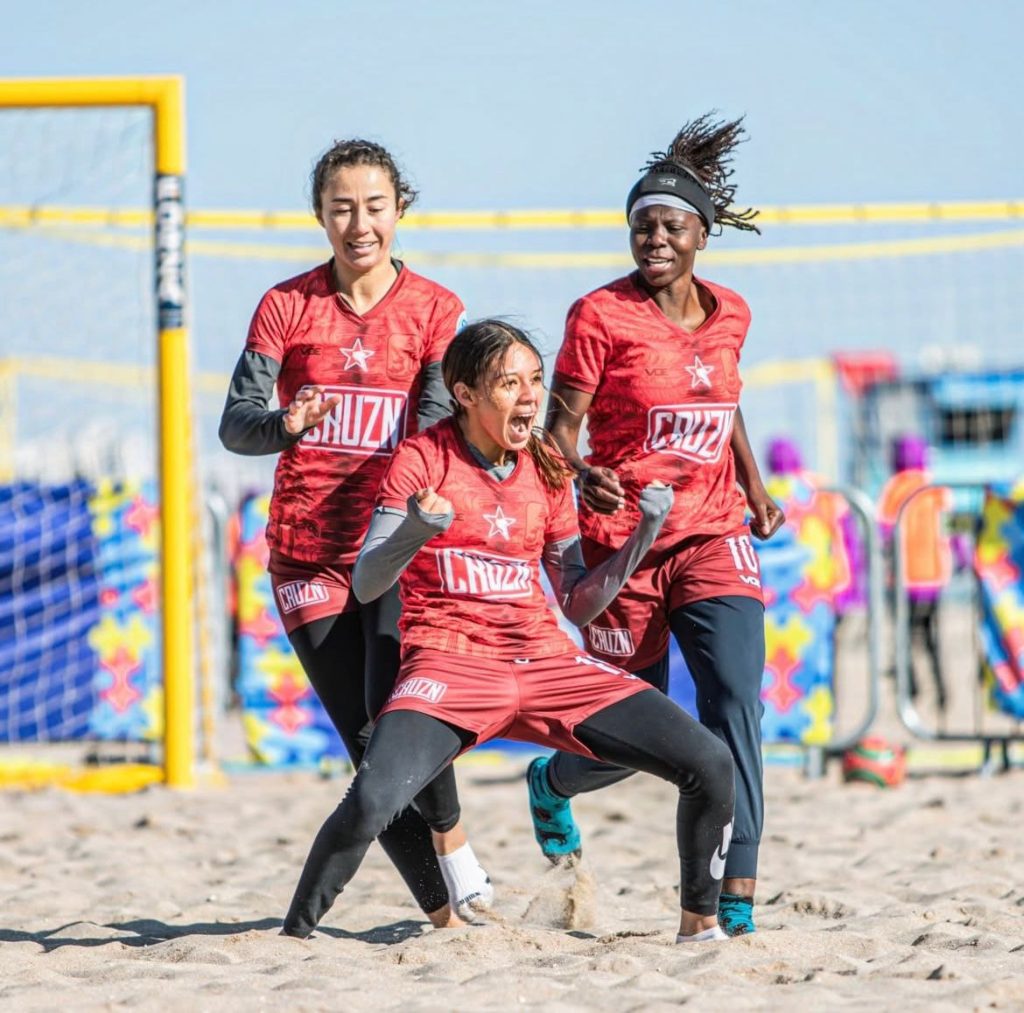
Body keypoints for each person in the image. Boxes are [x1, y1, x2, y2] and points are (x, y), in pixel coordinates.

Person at [281, 320, 737, 943]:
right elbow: (365, 582)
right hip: (450, 662)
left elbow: (577, 604)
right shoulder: (422, 458)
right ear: (465, 393)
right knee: (370, 802)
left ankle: (700, 930)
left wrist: (642, 537)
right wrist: (415, 530)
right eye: (509, 383)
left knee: (710, 761)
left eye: (535, 380)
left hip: (547, 663)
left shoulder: (545, 463)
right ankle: (293, 939)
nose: (529, 397)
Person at [219, 138, 490, 927]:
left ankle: (454, 844)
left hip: (394, 548)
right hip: (307, 554)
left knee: (406, 718)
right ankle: (444, 915)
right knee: (367, 744)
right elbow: (236, 424)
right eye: (342, 208)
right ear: (320, 216)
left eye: (374, 206)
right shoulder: (285, 305)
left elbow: (438, 424)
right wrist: (285, 422)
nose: (359, 223)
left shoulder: (437, 308)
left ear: (400, 210)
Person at [527, 114, 784, 938]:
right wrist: (584, 474)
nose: (656, 238)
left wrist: (754, 482)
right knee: (633, 731)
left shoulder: (733, 313)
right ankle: (554, 781)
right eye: (643, 225)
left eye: (673, 225)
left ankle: (732, 895)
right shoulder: (600, 315)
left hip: (713, 533)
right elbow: (557, 431)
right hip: (624, 549)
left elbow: (723, 398)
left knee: (734, 701)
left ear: (703, 234)